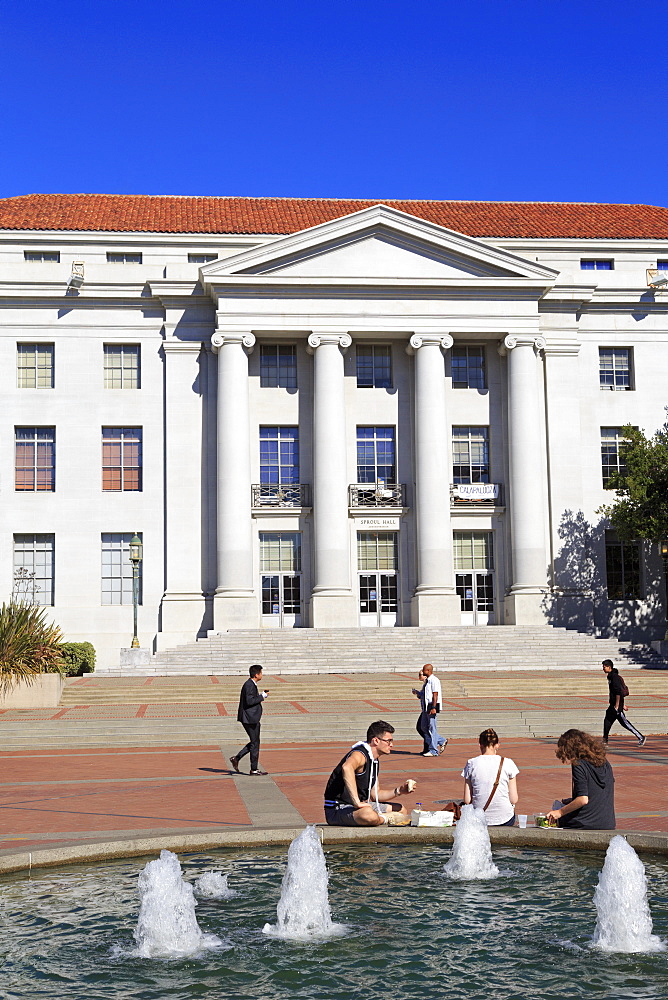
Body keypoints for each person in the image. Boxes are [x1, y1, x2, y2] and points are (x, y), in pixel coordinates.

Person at [324, 720, 417, 826]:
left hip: (360, 806)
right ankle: (384, 819)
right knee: (369, 815)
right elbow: (347, 767)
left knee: (401, 810)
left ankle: (381, 820)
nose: (392, 745)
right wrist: (356, 802)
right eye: (388, 741)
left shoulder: (374, 760)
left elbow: (375, 795)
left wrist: (399, 790)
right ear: (376, 741)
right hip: (338, 809)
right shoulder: (360, 754)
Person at [545, 729, 615, 830]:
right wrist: (571, 801)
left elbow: (583, 799)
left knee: (552, 819)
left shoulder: (579, 764)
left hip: (586, 821)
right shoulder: (605, 763)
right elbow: (598, 793)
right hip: (607, 822)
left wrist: (559, 812)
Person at [461, 728, 519, 826]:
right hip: (504, 818)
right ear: (497, 745)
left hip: (479, 817)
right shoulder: (508, 763)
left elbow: (467, 799)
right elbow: (513, 799)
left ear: (480, 745)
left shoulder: (471, 763)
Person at [230, 664, 269, 776]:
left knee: (254, 742)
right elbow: (249, 701)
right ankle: (253, 769)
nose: (262, 675)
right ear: (256, 675)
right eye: (261, 673)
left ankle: (237, 759)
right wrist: (262, 696)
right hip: (249, 718)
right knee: (255, 743)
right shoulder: (249, 685)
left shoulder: (251, 684)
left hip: (250, 718)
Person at [602, 659, 645, 747]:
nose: (603, 668)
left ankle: (641, 737)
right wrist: (621, 704)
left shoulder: (615, 677)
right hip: (613, 705)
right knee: (607, 721)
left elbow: (618, 692)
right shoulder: (610, 677)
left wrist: (618, 706)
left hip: (616, 706)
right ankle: (605, 741)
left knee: (625, 723)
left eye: (604, 667)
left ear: (609, 667)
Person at [414, 663, 447, 757]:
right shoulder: (427, 681)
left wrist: (433, 707)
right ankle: (441, 740)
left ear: (428, 671)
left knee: (432, 728)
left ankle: (433, 750)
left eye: (424, 670)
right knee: (424, 727)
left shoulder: (434, 680)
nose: (423, 672)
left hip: (431, 706)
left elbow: (435, 694)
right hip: (425, 707)